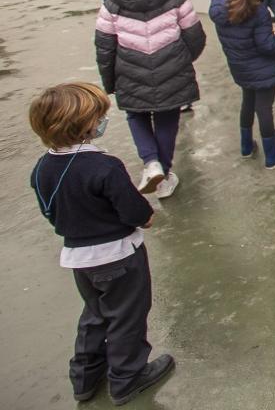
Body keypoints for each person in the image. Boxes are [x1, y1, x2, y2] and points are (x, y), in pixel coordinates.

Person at [28, 82, 176, 405]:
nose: (101, 123)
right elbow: (134, 210)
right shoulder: (105, 167)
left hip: (79, 259)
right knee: (127, 315)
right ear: (81, 126)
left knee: (94, 313)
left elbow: (49, 212)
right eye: (97, 118)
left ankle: (84, 375)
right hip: (119, 257)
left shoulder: (41, 169)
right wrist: (145, 217)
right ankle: (127, 377)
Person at [95, 0, 205, 199]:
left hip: (129, 72)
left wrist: (110, 81)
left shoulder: (111, 2)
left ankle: (151, 162)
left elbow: (104, 46)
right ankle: (164, 176)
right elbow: (195, 37)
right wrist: (181, 62)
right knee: (167, 117)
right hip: (171, 70)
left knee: (136, 115)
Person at [208, 0, 275, 170]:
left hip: (240, 67)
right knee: (264, 108)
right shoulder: (258, 11)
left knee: (248, 102)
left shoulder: (220, 7)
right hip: (262, 69)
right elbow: (267, 46)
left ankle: (246, 146)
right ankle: (272, 155)